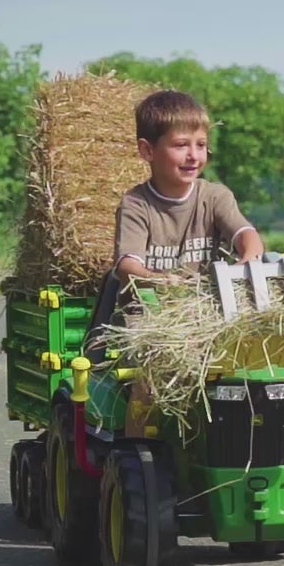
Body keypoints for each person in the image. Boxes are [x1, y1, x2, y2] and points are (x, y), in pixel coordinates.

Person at [108, 89, 266, 437]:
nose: (194, 155)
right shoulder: (137, 204)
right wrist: (159, 280)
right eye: (181, 145)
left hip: (209, 312)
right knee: (152, 371)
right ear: (147, 151)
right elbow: (127, 265)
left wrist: (249, 257)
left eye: (200, 144)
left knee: (264, 366)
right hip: (151, 316)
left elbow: (245, 233)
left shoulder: (215, 196)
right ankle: (137, 450)